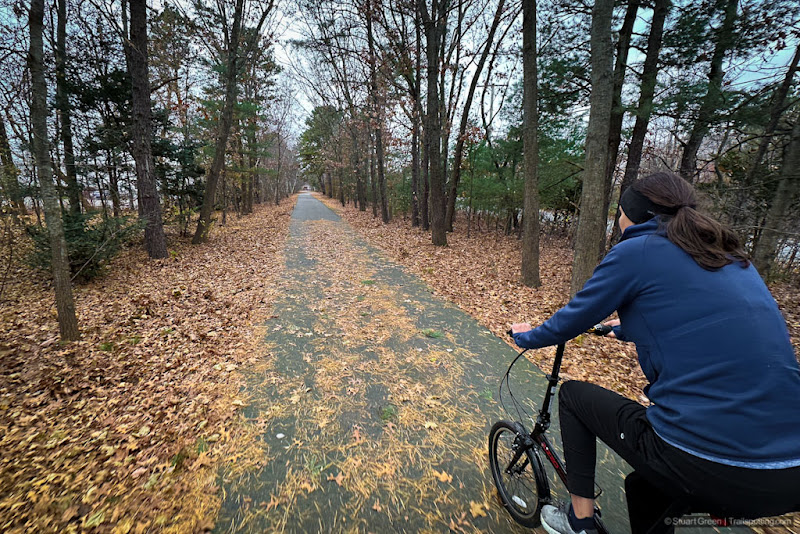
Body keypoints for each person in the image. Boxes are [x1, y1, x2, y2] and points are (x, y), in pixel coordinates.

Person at [510, 172, 800, 534]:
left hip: (709, 456)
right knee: (644, 488)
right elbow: (706, 321)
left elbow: (573, 318)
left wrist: (527, 337)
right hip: (789, 467)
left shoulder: (637, 250)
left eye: (618, 213)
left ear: (630, 215)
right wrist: (624, 328)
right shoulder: (726, 254)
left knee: (572, 396)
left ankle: (580, 521)